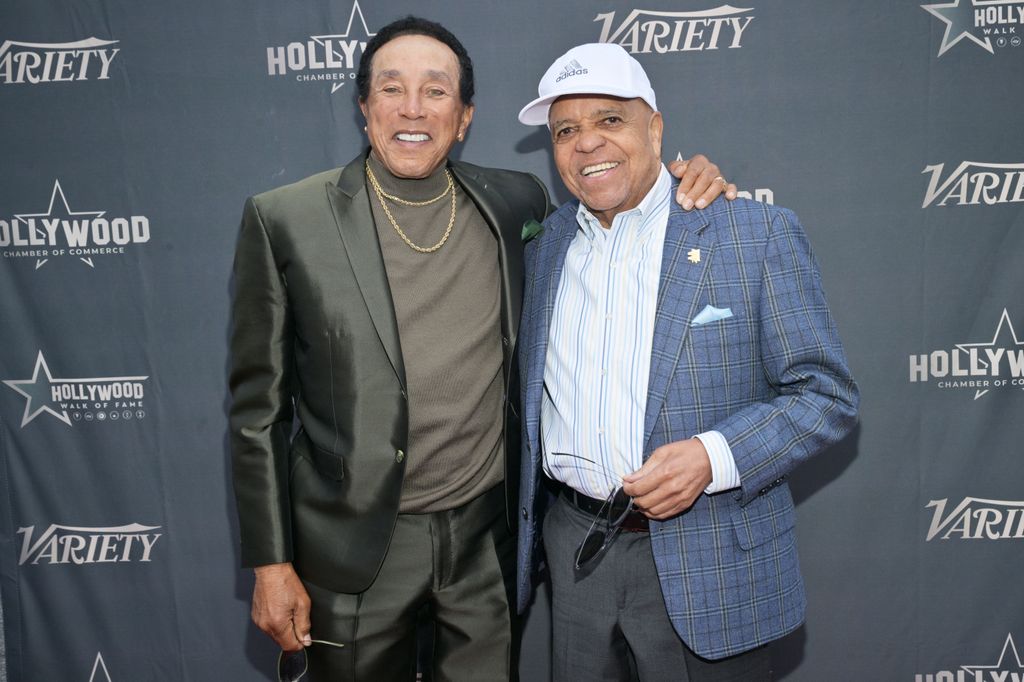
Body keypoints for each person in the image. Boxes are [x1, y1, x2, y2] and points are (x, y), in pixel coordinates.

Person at [229, 18, 735, 681]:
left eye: (435, 92)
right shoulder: (285, 219)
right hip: (354, 553)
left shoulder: (513, 203)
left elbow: (620, 211)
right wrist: (270, 564)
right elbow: (256, 413)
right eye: (392, 88)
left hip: (486, 546)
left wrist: (692, 188)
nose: (413, 109)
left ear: (464, 117)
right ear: (364, 107)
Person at [515, 42, 859, 681]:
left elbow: (826, 395)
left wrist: (712, 456)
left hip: (708, 559)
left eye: (610, 120)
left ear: (655, 126)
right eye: (567, 129)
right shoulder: (546, 246)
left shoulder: (751, 233)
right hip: (575, 551)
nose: (587, 143)